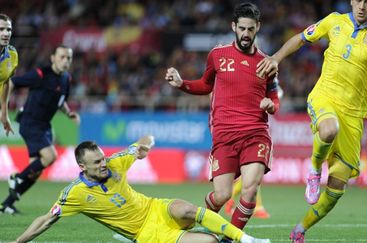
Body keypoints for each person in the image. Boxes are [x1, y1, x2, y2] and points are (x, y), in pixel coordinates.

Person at [257, 0, 367, 242]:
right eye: (358, 0)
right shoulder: (334, 21)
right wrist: (276, 58)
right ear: (351, 1)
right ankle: (314, 168)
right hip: (324, 97)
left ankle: (300, 229)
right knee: (329, 129)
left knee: (336, 188)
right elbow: (301, 38)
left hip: (354, 115)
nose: (362, 6)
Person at [13, 135, 271, 243]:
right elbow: (46, 220)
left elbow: (144, 140)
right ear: (82, 166)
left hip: (154, 207)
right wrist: (18, 241)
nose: (104, 164)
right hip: (146, 232)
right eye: (97, 162)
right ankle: (213, 234)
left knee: (189, 209)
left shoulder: (114, 163)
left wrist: (146, 144)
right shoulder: (75, 194)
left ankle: (245, 239)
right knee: (210, 242)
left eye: (103, 158)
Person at [165, 2, 280, 236]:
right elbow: (205, 85)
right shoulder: (217, 55)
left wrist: (271, 105)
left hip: (255, 132)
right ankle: (188, 224)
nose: (246, 34)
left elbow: (275, 99)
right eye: (242, 28)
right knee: (222, 195)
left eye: (250, 29)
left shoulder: (268, 63)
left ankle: (230, 238)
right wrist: (181, 84)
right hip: (224, 135)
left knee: (249, 189)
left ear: (257, 27)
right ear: (233, 27)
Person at [0, 45, 80, 214]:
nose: (65, 61)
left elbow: (60, 101)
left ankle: (7, 204)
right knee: (50, 156)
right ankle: (17, 178)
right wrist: (4, 109)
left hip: (45, 125)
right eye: (62, 57)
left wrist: (69, 113)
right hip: (30, 122)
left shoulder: (66, 79)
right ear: (53, 58)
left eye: (69, 58)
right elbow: (13, 82)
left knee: (35, 172)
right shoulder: (41, 74)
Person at [0, 13, 18, 136]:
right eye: (1, 29)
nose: (6, 33)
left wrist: (4, 113)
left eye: (9, 29)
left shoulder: (13, 54)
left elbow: (6, 82)